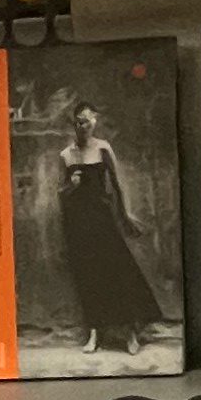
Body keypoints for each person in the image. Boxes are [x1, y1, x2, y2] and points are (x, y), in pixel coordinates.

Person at [53, 100, 160, 355]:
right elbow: (61, 192)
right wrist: (71, 185)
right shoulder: (66, 155)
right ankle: (94, 333)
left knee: (117, 271)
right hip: (78, 222)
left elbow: (118, 184)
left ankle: (130, 333)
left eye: (90, 121)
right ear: (74, 124)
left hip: (102, 217)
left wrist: (126, 214)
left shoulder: (103, 148)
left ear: (95, 122)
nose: (85, 126)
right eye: (81, 121)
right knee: (88, 276)